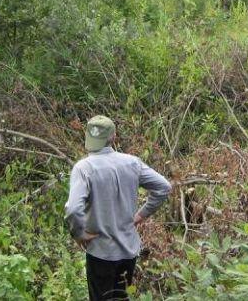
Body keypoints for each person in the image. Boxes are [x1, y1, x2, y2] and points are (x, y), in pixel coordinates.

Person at [65, 115, 172, 300]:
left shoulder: (84, 168)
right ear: (113, 137)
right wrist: (141, 215)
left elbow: (73, 209)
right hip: (128, 251)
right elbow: (164, 187)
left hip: (100, 251)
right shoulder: (132, 163)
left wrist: (79, 234)